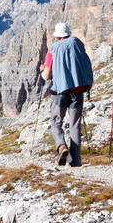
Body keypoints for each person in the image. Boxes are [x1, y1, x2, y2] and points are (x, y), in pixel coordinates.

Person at [39, 21, 93, 167]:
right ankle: (75, 161)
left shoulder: (53, 49)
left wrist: (43, 68)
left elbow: (46, 76)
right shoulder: (77, 44)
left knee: (56, 122)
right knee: (75, 125)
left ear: (57, 36)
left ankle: (62, 147)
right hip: (78, 91)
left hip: (60, 93)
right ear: (68, 34)